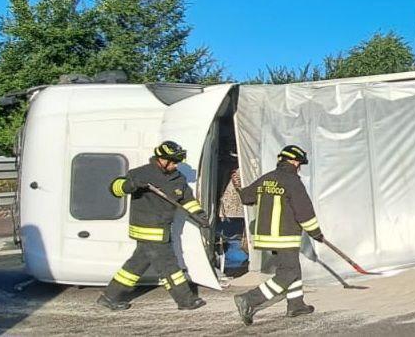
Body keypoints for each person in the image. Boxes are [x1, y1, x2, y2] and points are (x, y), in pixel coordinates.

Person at [97, 140, 210, 311]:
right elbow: (115, 189)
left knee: (135, 266)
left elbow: (187, 200)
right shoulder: (141, 173)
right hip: (149, 229)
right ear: (162, 160)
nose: (175, 165)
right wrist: (131, 185)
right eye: (173, 162)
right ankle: (185, 300)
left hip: (162, 229)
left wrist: (200, 216)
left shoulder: (178, 179)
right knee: (169, 266)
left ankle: (109, 296)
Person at [233, 145, 324, 326]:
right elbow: (304, 211)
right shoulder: (292, 182)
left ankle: (296, 305)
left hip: (267, 236)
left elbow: (246, 198)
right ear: (295, 161)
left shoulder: (267, 178)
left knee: (292, 269)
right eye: (299, 162)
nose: (299, 166)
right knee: (288, 273)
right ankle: (249, 299)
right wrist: (316, 233)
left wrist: (240, 188)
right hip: (284, 236)